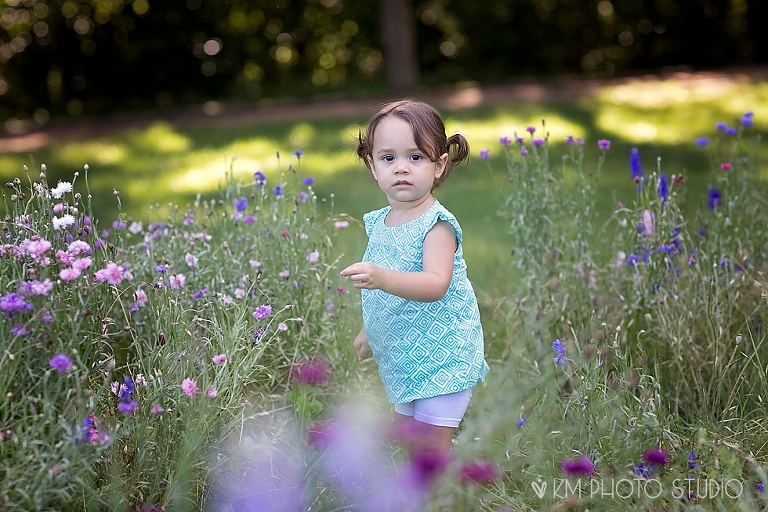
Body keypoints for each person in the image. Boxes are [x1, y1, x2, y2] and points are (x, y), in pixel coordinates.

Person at [340, 99, 489, 455]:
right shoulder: (379, 222)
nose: (402, 168)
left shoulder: (436, 225)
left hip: (443, 356)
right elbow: (387, 296)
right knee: (412, 446)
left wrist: (380, 277)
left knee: (429, 454)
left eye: (416, 157)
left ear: (439, 166)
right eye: (388, 158)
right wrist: (368, 330)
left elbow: (435, 283)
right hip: (405, 357)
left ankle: (441, 500)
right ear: (373, 167)